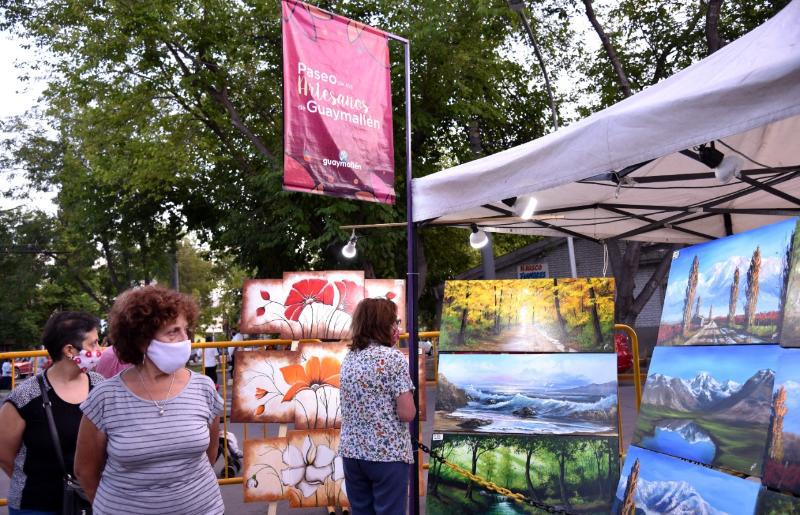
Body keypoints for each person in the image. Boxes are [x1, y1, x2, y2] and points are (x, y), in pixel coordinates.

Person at [74, 285, 224, 515]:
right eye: (173, 331)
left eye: (186, 330)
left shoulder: (204, 388)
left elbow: (209, 455)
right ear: (142, 340)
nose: (185, 340)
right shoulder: (105, 398)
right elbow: (85, 470)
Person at [0, 311, 104, 514]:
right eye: (94, 344)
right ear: (69, 350)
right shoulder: (25, 396)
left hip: (90, 502)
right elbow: (4, 455)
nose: (100, 350)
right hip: (35, 505)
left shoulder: (100, 386)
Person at [338, 298, 416, 515]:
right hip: (387, 455)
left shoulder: (350, 358)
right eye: (395, 321)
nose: (397, 327)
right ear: (383, 324)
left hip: (352, 453)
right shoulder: (393, 359)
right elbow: (407, 413)